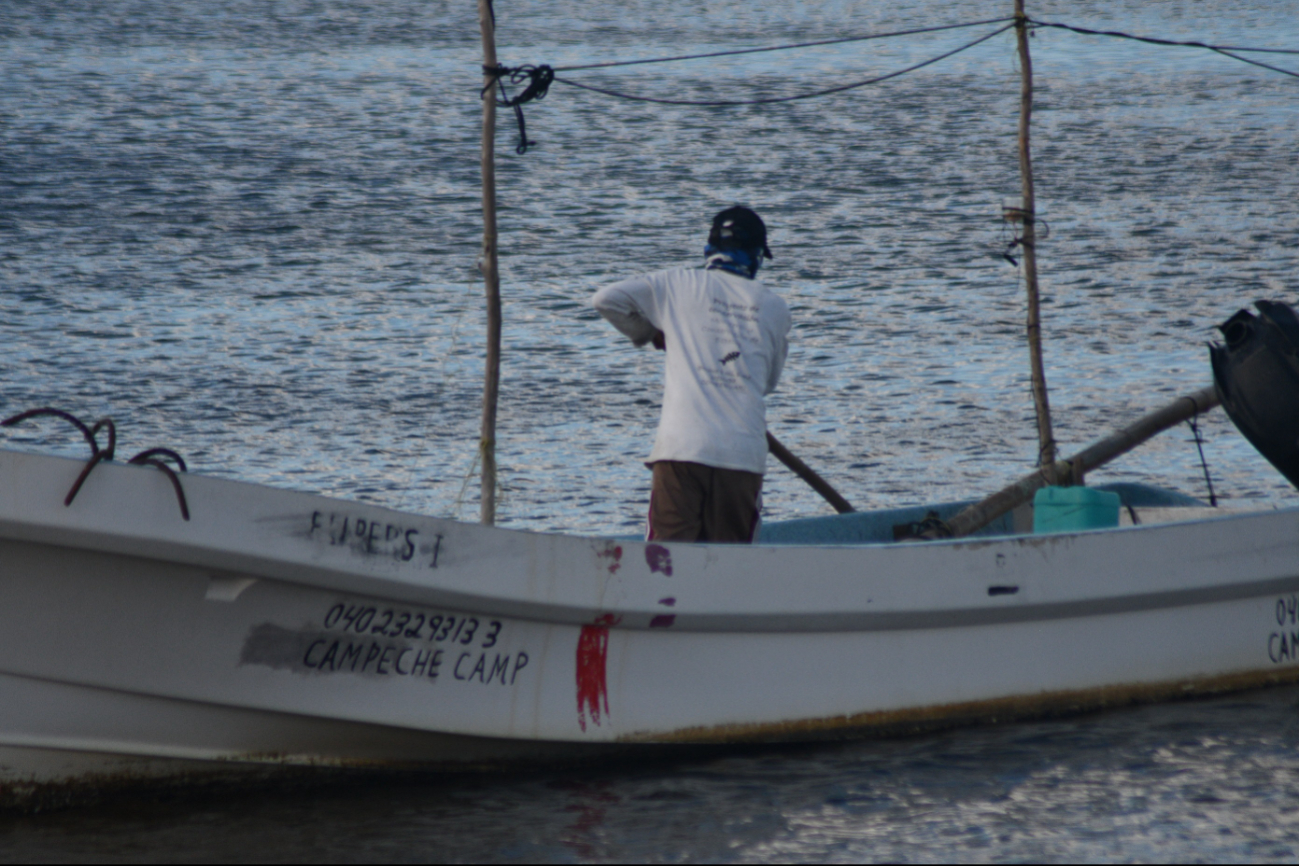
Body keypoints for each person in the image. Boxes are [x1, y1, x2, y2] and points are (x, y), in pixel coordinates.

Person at [591, 206, 792, 543]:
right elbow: (767, 383)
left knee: (667, 565)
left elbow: (605, 300)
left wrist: (652, 333)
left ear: (709, 250)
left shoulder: (676, 283)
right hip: (742, 454)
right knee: (731, 569)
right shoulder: (775, 307)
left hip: (682, 450)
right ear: (757, 256)